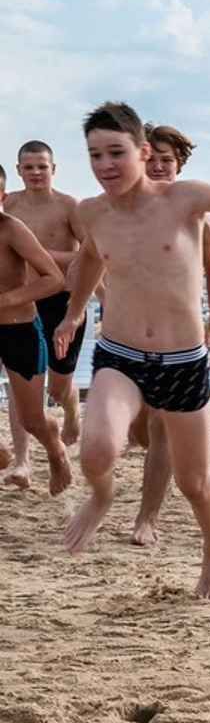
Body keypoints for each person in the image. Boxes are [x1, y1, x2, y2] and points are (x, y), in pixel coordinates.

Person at [53, 101, 210, 600]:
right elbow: (93, 256)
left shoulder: (185, 199)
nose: (105, 165)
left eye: (116, 153)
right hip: (121, 355)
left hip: (182, 363)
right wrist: (75, 313)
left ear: (140, 151)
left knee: (194, 481)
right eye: (95, 155)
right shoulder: (91, 211)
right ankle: (101, 497)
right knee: (96, 450)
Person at [129, 124, 210, 547]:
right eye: (150, 160)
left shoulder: (195, 214)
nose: (157, 168)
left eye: (166, 161)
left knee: (161, 424)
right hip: (130, 330)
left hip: (179, 331)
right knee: (139, 428)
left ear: (179, 165)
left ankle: (146, 518)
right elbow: (90, 263)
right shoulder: (117, 209)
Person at [5, 140, 87, 456]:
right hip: (23, 301)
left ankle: (71, 410)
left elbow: (92, 255)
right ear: (18, 171)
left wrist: (41, 254)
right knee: (18, 377)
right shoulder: (9, 204)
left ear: (53, 169)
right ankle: (22, 459)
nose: (36, 172)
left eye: (42, 166)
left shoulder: (69, 206)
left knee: (58, 387)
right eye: (29, 167)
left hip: (61, 299)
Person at [0, 161, 72, 495]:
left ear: (1, 196)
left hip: (19, 330)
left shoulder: (11, 229)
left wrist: (6, 300)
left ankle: (55, 449)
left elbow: (53, 278)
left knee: (32, 420)